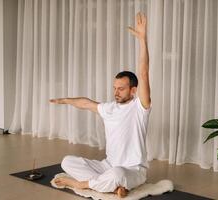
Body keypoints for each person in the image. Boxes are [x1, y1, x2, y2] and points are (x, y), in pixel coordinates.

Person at [49, 12, 151, 198]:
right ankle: (113, 187)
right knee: (67, 162)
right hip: (107, 165)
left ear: (133, 90)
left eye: (121, 88)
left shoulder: (140, 108)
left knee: (118, 174)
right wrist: (64, 100)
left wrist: (142, 40)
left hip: (133, 170)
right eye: (115, 88)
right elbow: (86, 103)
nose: (116, 92)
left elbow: (143, 73)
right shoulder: (109, 108)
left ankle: (82, 184)